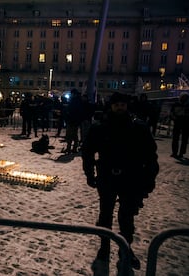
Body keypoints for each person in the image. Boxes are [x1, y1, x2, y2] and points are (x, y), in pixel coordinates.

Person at [81, 92, 159, 270]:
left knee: (127, 216)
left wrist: (149, 179)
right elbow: (87, 152)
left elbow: (150, 155)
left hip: (131, 178)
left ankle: (126, 248)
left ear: (127, 106)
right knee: (105, 214)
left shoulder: (138, 127)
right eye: (116, 105)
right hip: (107, 177)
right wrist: (89, 174)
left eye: (122, 104)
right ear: (111, 106)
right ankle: (104, 247)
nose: (120, 108)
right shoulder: (99, 127)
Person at [169, 92, 189, 158]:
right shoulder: (176, 104)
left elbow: (171, 113)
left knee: (181, 139)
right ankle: (177, 153)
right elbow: (171, 113)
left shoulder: (178, 104)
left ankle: (179, 153)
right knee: (178, 139)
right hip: (180, 122)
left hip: (184, 123)